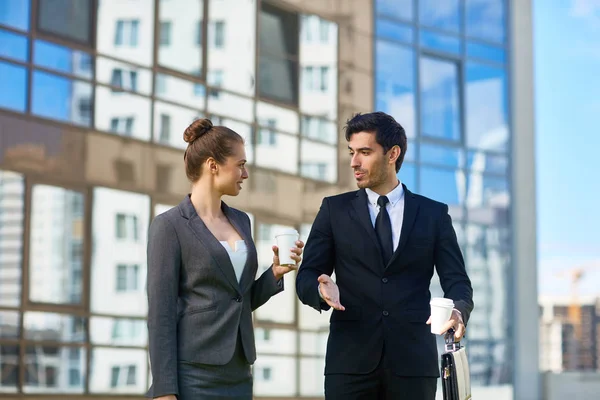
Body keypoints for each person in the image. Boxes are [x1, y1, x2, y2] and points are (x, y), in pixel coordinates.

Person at [295, 112, 474, 399]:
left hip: (414, 365)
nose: (354, 162)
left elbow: (457, 281)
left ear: (393, 154)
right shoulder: (333, 210)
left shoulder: (433, 214)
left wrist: (458, 310)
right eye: (352, 152)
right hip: (349, 365)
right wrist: (319, 289)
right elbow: (306, 276)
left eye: (365, 152)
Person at [146, 118, 304, 400]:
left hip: (239, 372)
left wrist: (274, 274)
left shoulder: (241, 221)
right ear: (213, 165)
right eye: (240, 164)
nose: (245, 174)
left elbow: (238, 300)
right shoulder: (169, 226)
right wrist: (164, 391)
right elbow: (161, 315)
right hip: (192, 374)